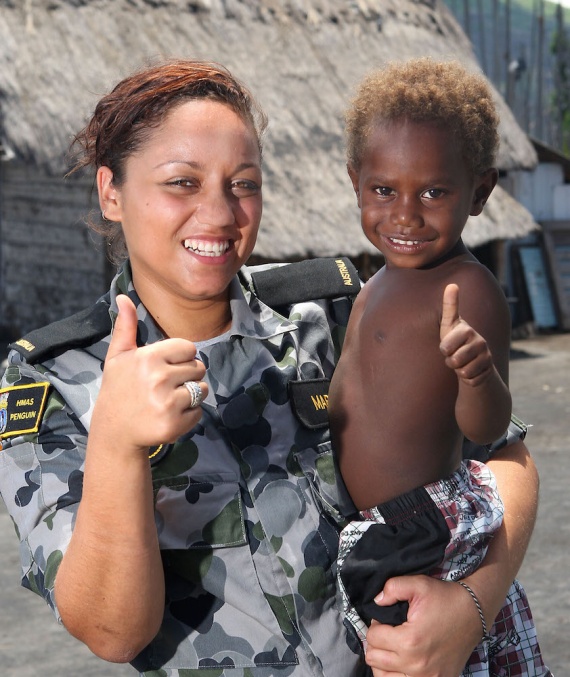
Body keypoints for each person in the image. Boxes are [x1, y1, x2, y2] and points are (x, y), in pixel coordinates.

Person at [0, 58, 539, 677]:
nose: (221, 214)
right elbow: (113, 631)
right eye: (182, 182)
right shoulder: (54, 380)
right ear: (111, 193)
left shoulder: (336, 312)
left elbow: (506, 457)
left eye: (243, 183)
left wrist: (472, 607)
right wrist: (117, 446)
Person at [328, 57, 550, 675]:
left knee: (433, 655)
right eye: (383, 190)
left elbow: (485, 429)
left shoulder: (467, 291)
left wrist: (478, 376)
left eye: (433, 191)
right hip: (374, 525)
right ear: (355, 181)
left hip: (423, 527)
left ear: (479, 192)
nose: (405, 214)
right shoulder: (374, 283)